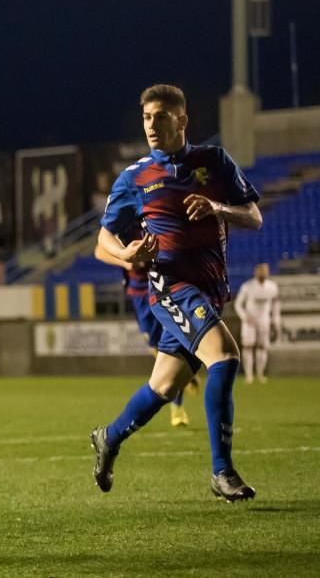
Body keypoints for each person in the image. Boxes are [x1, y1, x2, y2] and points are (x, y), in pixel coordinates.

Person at [90, 84, 262, 502]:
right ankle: (222, 473)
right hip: (172, 287)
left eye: (161, 116)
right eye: (147, 117)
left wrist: (217, 208)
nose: (151, 125)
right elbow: (102, 242)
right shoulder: (135, 178)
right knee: (225, 356)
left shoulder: (214, 162)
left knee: (163, 387)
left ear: (182, 120)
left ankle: (108, 437)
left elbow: (253, 216)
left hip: (210, 290)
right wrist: (128, 255)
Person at [94, 230, 198, 428]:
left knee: (173, 347)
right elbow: (99, 250)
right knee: (156, 347)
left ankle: (177, 408)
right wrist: (126, 260)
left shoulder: (157, 213)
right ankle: (184, 376)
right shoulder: (125, 217)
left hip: (166, 290)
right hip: (140, 294)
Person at [234, 263, 281, 384]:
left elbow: (276, 305)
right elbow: (238, 304)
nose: (263, 273)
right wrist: (245, 317)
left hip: (264, 320)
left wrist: (276, 321)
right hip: (249, 321)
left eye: (265, 271)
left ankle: (260, 374)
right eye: (260, 271)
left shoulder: (272, 287)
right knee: (248, 347)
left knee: (262, 347)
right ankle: (249, 375)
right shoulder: (247, 286)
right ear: (256, 272)